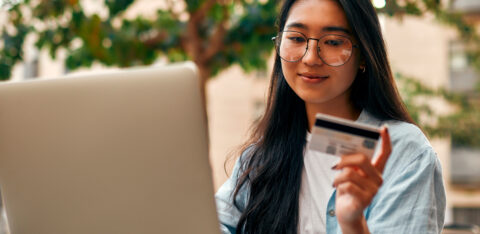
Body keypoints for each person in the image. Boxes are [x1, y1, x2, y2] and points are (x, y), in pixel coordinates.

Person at [215, 0, 446, 233]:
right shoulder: (261, 157)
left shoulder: (405, 153)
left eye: (334, 42)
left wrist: (353, 224)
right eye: (296, 38)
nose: (311, 58)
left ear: (364, 54)